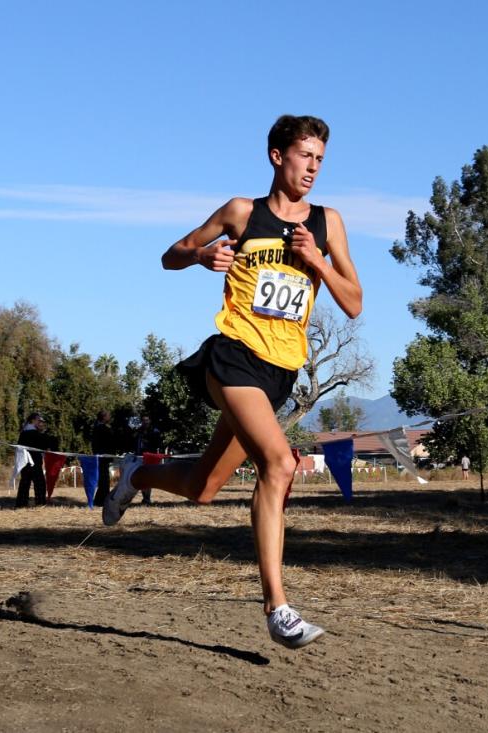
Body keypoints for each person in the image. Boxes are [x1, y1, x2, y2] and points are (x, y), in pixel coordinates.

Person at [102, 115, 362, 650]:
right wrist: (200, 256)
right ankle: (278, 607)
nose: (312, 167)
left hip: (280, 372)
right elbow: (169, 255)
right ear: (276, 156)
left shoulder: (328, 223)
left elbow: (354, 302)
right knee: (279, 463)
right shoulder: (243, 212)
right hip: (233, 354)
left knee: (203, 488)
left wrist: (318, 260)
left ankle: (138, 475)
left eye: (320, 159)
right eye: (304, 155)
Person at [15, 413, 50, 508]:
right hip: (34, 462)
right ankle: (40, 503)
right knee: (39, 482)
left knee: (24, 483)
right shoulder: (33, 433)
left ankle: (21, 504)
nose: (40, 423)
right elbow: (43, 445)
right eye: (38, 421)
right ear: (33, 421)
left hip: (24, 462)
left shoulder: (24, 432)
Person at [133, 415, 163, 505]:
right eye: (143, 420)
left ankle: (147, 498)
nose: (145, 422)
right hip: (140, 456)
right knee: (142, 478)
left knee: (149, 478)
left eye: (146, 420)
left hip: (150, 457)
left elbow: (158, 443)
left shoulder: (154, 431)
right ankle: (145, 498)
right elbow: (135, 442)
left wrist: (148, 442)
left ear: (150, 421)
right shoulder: (139, 431)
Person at [90, 410, 117, 506]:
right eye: (108, 416)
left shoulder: (97, 428)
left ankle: (99, 500)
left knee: (104, 480)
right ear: (104, 417)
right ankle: (101, 500)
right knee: (104, 480)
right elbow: (109, 443)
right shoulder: (102, 429)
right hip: (102, 457)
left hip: (101, 457)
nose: (110, 417)